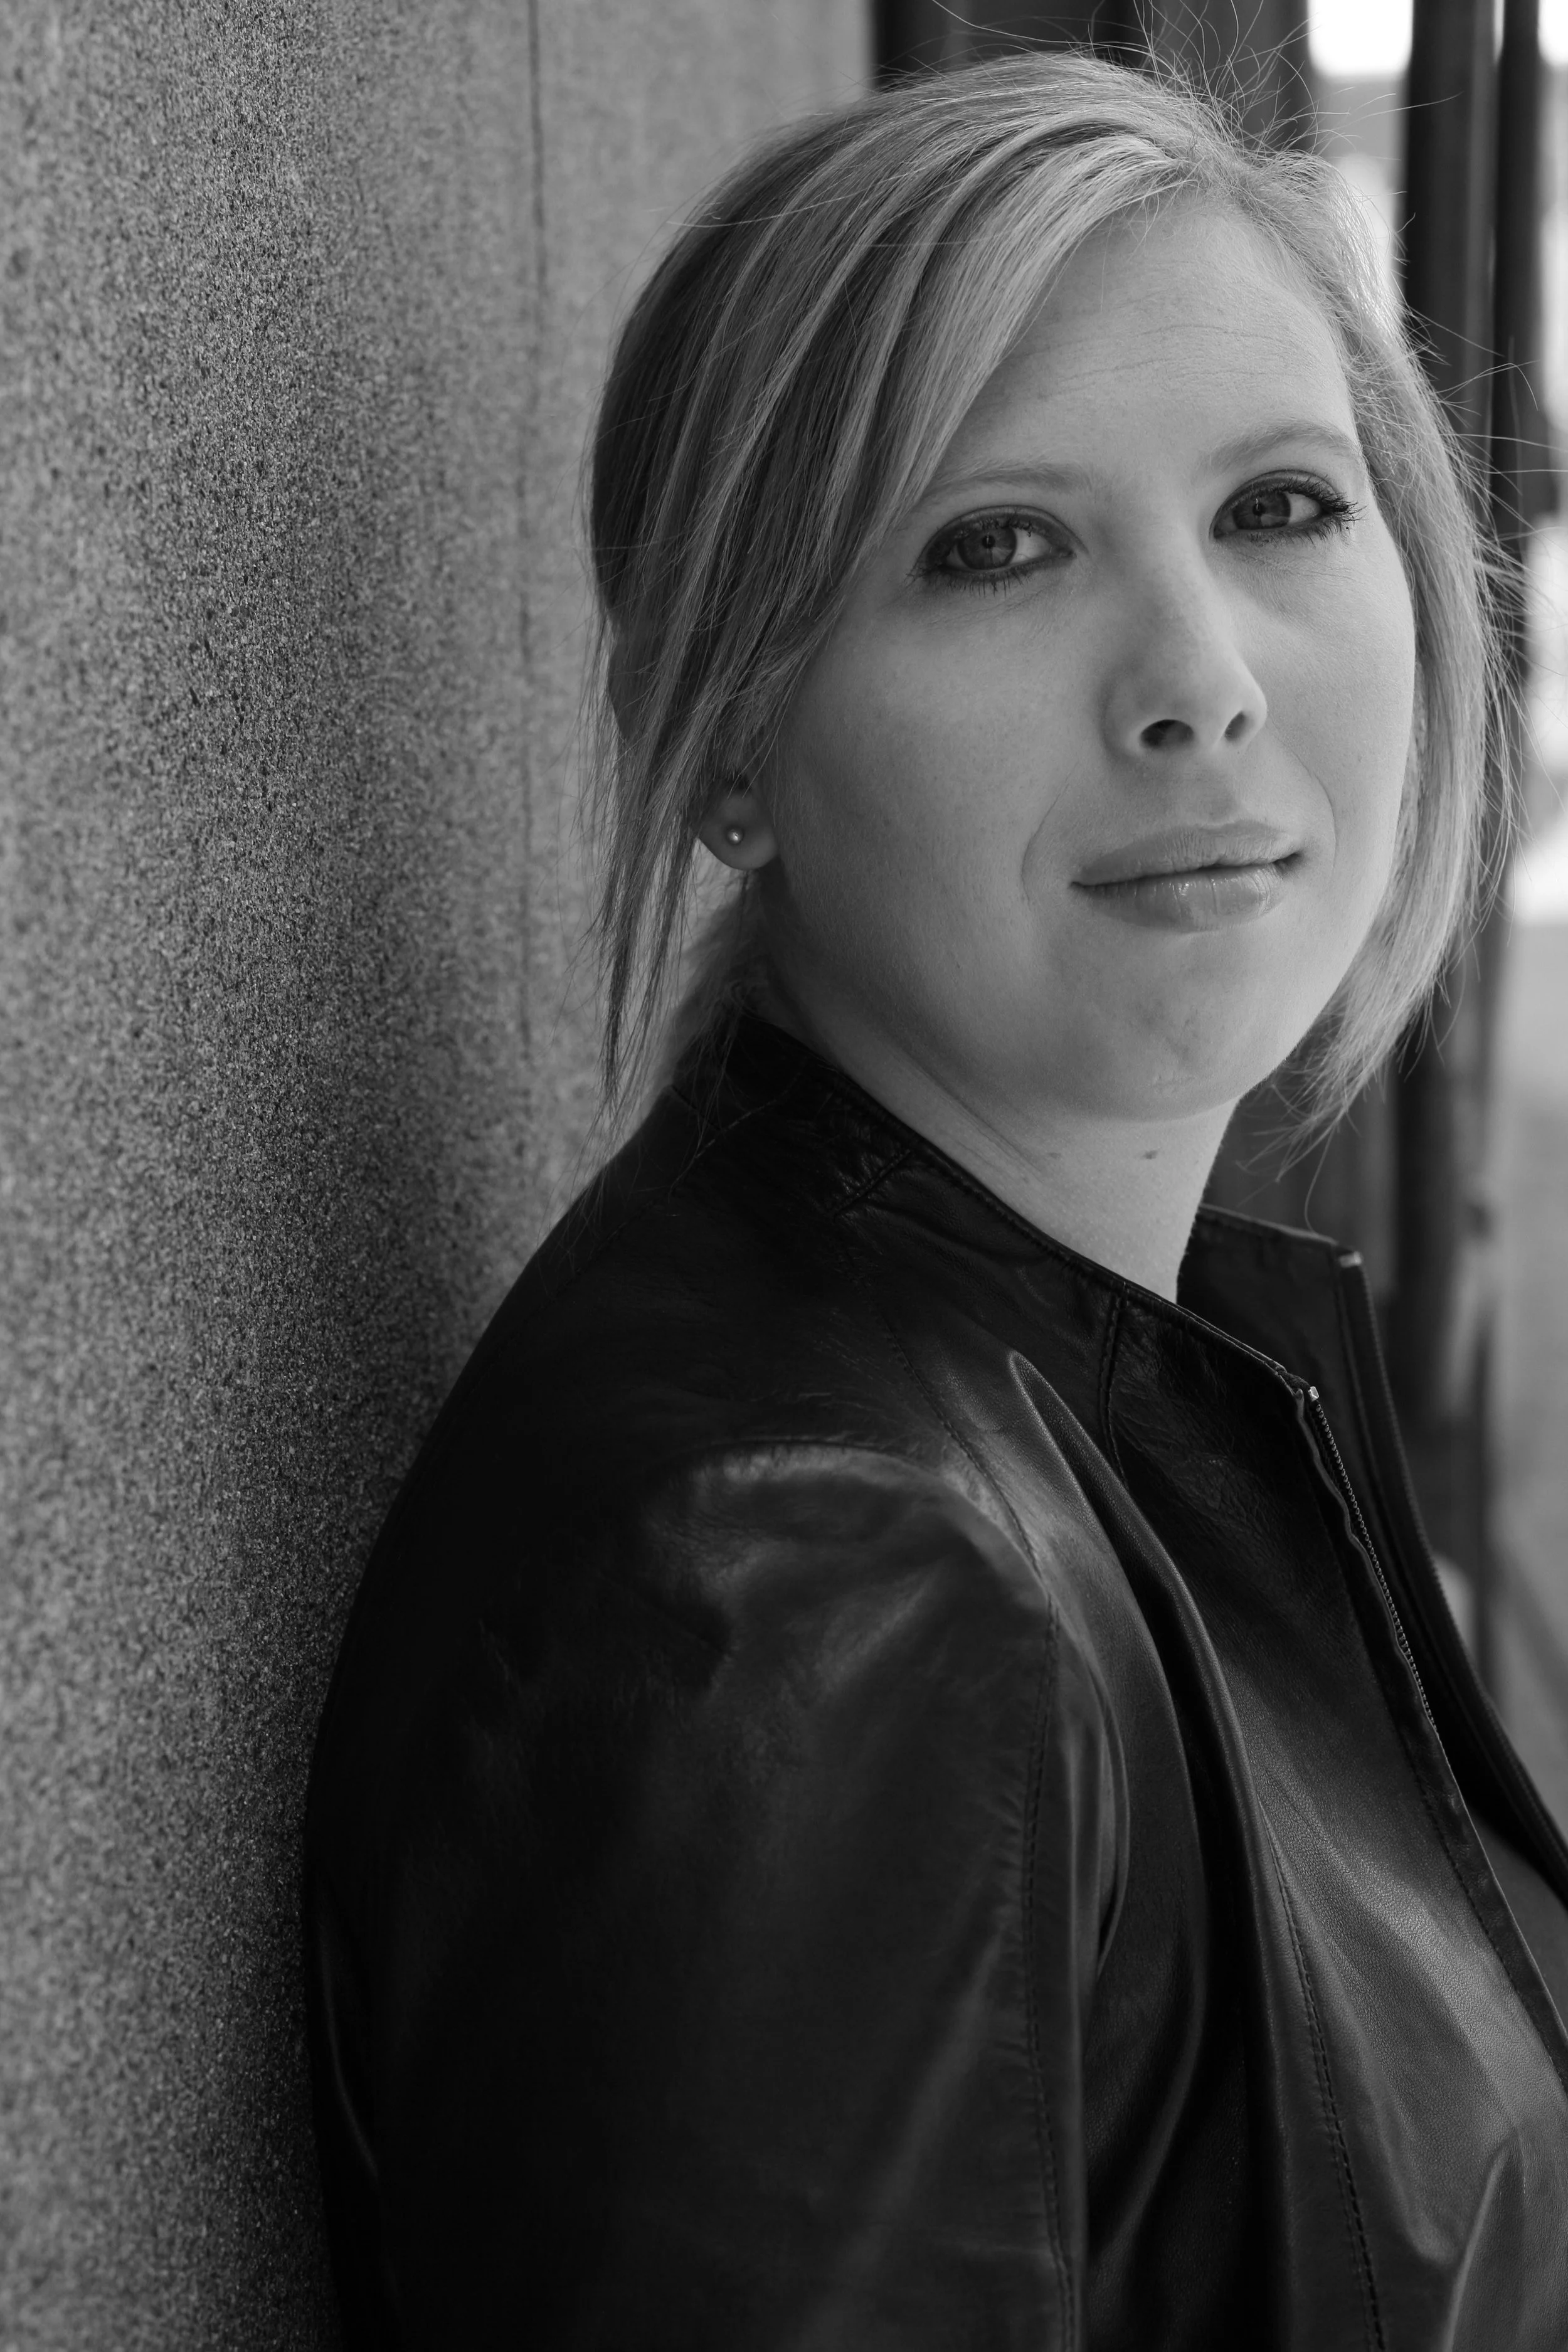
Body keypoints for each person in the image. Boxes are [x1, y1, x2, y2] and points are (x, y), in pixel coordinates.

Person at [304, 52, 1568, 2348]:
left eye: (1280, 506)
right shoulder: (811, 1582)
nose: (1193, 679)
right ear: (725, 749)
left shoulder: (1060, 1388)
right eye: (994, 545)